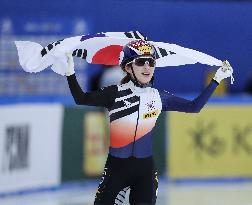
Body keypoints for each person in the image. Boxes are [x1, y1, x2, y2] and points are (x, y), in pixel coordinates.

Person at [65, 39, 233, 205]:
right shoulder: (114, 93)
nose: (147, 67)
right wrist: (70, 73)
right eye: (140, 62)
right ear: (128, 67)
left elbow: (194, 107)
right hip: (116, 169)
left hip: (145, 171)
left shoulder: (159, 96)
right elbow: (81, 99)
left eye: (151, 63)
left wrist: (216, 79)